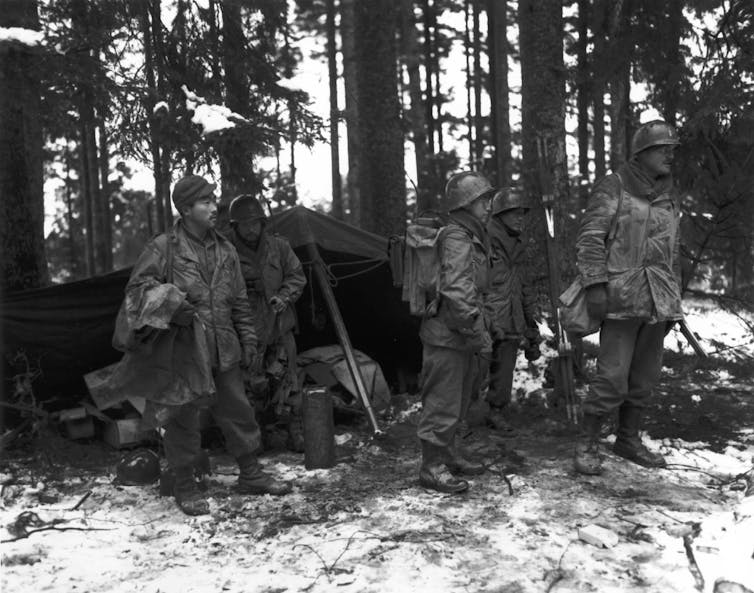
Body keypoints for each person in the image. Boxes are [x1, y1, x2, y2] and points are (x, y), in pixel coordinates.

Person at [123, 175, 292, 515]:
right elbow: (137, 291)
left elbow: (240, 302)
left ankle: (251, 474)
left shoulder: (227, 249)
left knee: (237, 409)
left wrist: (248, 340)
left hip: (224, 345)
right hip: (184, 350)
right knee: (182, 416)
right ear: (186, 209)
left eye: (214, 200)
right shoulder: (163, 248)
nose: (215, 207)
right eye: (206, 202)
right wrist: (172, 303)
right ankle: (185, 485)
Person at [573, 120, 683, 475]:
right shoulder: (614, 185)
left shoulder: (668, 192)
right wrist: (594, 287)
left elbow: (672, 252)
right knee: (612, 378)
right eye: (662, 148)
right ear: (642, 152)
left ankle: (627, 439)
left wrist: (673, 301)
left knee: (645, 377)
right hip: (620, 299)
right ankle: (588, 442)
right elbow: (590, 238)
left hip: (657, 300)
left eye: (672, 149)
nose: (670, 154)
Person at [417, 171, 494, 494]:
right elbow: (458, 291)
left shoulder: (471, 235)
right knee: (442, 403)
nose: (489, 206)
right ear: (465, 205)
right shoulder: (457, 237)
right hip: (449, 335)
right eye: (482, 201)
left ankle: (447, 456)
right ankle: (431, 468)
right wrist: (479, 335)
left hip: (459, 333)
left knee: (458, 401)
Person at [226, 194, 307, 451]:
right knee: (248, 388)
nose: (251, 229)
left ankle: (297, 433)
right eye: (244, 224)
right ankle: (253, 440)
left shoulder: (279, 247)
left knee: (290, 384)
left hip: (279, 328)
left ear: (263, 223)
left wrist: (284, 296)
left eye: (255, 223)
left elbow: (297, 276)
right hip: (246, 333)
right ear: (235, 226)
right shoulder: (226, 253)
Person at [484, 188, 541, 427]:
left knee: (505, 369)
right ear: (500, 214)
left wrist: (531, 325)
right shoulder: (483, 240)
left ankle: (495, 411)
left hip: (512, 315)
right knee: (474, 371)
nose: (520, 218)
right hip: (484, 317)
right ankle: (463, 416)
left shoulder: (520, 245)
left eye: (522, 214)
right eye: (514, 213)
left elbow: (525, 285)